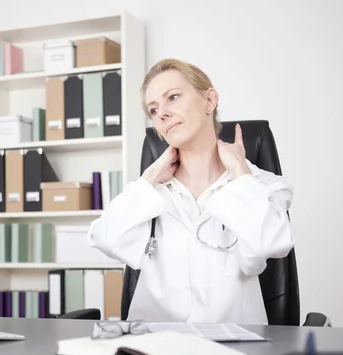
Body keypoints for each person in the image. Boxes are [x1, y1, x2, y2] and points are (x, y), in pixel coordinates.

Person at [87, 58, 295, 324]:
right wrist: (149, 178)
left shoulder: (263, 185)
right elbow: (102, 236)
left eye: (172, 97)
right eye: (153, 110)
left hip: (231, 348)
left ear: (209, 100)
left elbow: (272, 242)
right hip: (154, 347)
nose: (161, 113)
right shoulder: (151, 192)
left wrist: (241, 174)